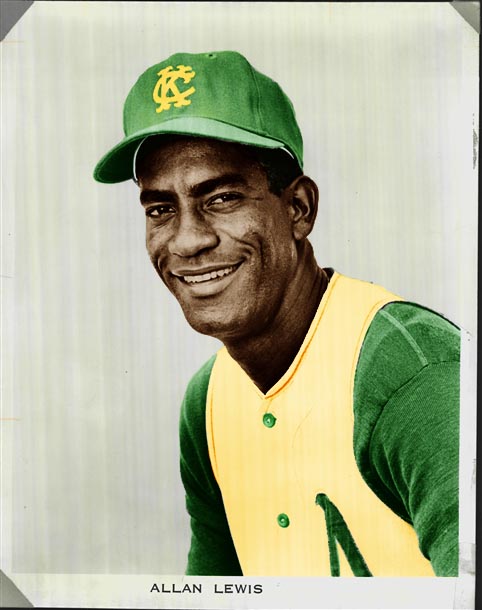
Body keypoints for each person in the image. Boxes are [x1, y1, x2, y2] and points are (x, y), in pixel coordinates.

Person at [93, 50, 459, 577]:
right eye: (160, 209)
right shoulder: (208, 401)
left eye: (221, 198)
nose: (188, 240)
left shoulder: (414, 378)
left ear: (298, 208)